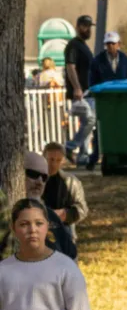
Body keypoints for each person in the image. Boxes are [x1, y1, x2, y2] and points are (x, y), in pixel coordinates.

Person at [2, 153, 77, 260]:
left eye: (44, 177)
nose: (40, 182)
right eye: (33, 174)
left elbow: (71, 254)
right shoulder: (5, 216)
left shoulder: (50, 215)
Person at [63, 15, 96, 168]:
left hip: (88, 92)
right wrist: (77, 87)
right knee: (89, 120)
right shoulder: (73, 45)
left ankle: (82, 157)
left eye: (89, 26)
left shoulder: (83, 45)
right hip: (80, 92)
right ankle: (70, 147)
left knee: (87, 124)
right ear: (77, 27)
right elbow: (70, 66)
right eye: (84, 26)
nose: (88, 29)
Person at [41, 142, 88, 241]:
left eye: (58, 160)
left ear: (62, 161)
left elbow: (82, 209)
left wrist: (64, 214)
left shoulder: (71, 181)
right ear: (44, 159)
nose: (54, 164)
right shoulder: (35, 179)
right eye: (51, 159)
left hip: (63, 226)